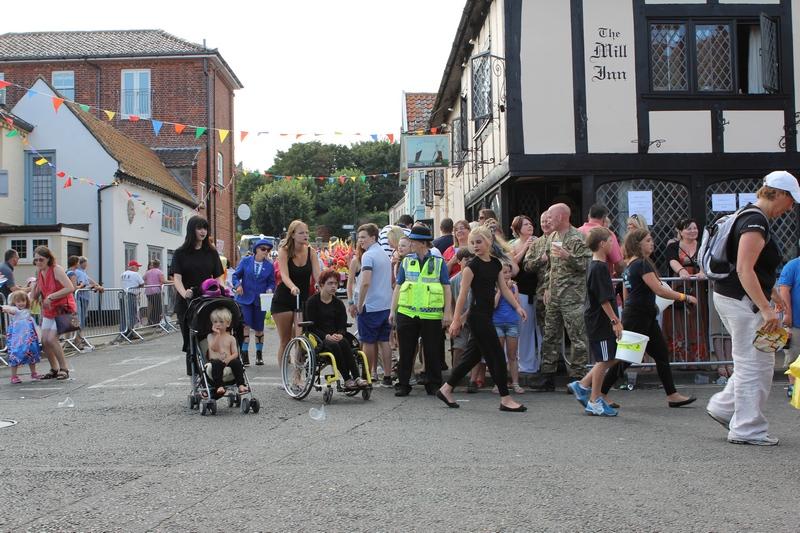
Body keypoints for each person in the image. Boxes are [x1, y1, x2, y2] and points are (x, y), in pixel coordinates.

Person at [707, 171, 800, 446]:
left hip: (733, 297)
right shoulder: (756, 222)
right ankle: (747, 428)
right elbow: (745, 268)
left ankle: (724, 408)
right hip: (743, 302)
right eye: (791, 200)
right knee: (755, 364)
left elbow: (749, 267)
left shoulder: (747, 214)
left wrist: (770, 293)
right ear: (779, 194)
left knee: (752, 361)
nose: (791, 207)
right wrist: (766, 307)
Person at [599, 229, 698, 408]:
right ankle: (600, 393)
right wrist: (684, 297)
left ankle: (672, 395)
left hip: (643, 315)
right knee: (626, 357)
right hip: (639, 316)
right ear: (638, 245)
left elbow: (627, 294)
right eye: (647, 240)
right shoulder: (642, 264)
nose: (652, 243)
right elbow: (659, 289)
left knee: (660, 354)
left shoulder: (630, 265)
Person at [438, 226, 528, 412]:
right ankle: (505, 398)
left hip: (488, 315)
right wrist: (456, 320)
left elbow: (503, 289)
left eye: (479, 242)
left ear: (489, 241)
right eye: (472, 243)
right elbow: (462, 296)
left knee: (471, 357)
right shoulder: (472, 267)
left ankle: (446, 389)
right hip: (477, 317)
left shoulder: (495, 264)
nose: (475, 246)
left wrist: (518, 306)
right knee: (495, 355)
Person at [532, 203, 591, 391]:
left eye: (551, 216)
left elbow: (585, 265)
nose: (548, 220)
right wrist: (547, 288)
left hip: (572, 296)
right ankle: (547, 376)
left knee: (577, 337)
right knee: (550, 335)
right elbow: (550, 267)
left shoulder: (578, 237)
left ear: (561, 217)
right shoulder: (552, 238)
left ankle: (578, 378)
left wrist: (569, 256)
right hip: (555, 295)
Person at [567, 227, 623, 416]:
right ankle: (594, 399)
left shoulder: (597, 266)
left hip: (599, 319)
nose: (612, 244)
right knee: (604, 359)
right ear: (601, 244)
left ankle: (582, 386)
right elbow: (603, 299)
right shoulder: (598, 267)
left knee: (612, 356)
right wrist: (614, 320)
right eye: (609, 241)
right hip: (600, 320)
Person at [390, 224, 452, 396]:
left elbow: (446, 288)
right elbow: (398, 287)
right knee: (406, 351)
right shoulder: (407, 261)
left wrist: (448, 313)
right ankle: (403, 384)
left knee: (432, 350)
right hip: (407, 313)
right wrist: (392, 311)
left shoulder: (438, 263)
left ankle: (433, 383)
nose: (410, 244)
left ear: (423, 243)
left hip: (431, 314)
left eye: (413, 241)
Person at [172, 216, 224, 375]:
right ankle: (195, 380)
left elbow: (219, 276)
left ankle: (213, 373)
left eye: (205, 228)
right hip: (187, 304)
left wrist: (221, 289)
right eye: (199, 228)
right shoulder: (180, 253)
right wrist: (185, 293)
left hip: (207, 300)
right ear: (191, 230)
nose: (203, 231)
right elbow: (177, 278)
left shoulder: (211, 252)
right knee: (191, 343)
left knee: (209, 337)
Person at [271, 220, 321, 368]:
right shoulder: (284, 251)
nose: (305, 235)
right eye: (301, 233)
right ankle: (284, 375)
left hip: (303, 299)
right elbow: (284, 275)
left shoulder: (311, 251)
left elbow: (317, 274)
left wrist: (322, 284)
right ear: (292, 235)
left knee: (300, 339)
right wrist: (292, 287)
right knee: (285, 340)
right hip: (284, 299)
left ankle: (297, 377)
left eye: (306, 232)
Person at [306, 269, 368, 390]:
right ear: (321, 284)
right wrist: (326, 336)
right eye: (330, 283)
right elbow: (311, 326)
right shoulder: (312, 302)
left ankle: (356, 377)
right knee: (335, 345)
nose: (334, 286)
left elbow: (342, 324)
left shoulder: (338, 303)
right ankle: (347, 378)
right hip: (319, 338)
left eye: (335, 283)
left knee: (344, 342)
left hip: (336, 336)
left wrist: (340, 334)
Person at [353, 223, 394, 387]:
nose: (360, 241)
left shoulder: (368, 256)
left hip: (372, 305)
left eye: (363, 237)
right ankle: (388, 376)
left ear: (373, 237)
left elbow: (365, 282)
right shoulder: (384, 254)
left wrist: (360, 303)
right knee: (384, 341)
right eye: (359, 237)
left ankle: (367, 376)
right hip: (386, 304)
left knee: (368, 341)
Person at [663, 218, 708, 365]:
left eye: (695, 228)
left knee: (696, 320)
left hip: (698, 288)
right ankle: (679, 358)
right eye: (688, 228)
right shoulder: (673, 246)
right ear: (680, 232)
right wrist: (682, 271)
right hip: (679, 286)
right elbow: (672, 260)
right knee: (678, 320)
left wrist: (702, 271)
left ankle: (698, 358)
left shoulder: (703, 245)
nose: (693, 231)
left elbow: (707, 261)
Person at [30, 246, 75, 381]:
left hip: (63, 308)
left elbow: (70, 288)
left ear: (48, 258)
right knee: (44, 340)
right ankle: (54, 368)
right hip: (49, 310)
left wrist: (51, 296)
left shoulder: (56, 269)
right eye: (36, 260)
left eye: (41, 259)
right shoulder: (39, 271)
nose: (38, 262)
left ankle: (64, 368)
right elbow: (35, 293)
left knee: (51, 339)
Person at [233, 238, 276, 366]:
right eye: (263, 249)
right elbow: (235, 276)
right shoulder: (246, 261)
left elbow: (272, 282)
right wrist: (238, 285)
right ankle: (244, 355)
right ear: (256, 249)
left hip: (260, 300)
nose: (266, 252)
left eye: (268, 250)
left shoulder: (269, 266)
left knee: (259, 328)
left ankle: (259, 355)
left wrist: (270, 289)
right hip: (245, 299)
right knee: (245, 326)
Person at [524, 210, 556, 370]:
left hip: (563, 293)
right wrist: (540, 259)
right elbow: (527, 265)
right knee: (545, 330)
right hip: (542, 292)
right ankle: (548, 365)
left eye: (548, 220)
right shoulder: (537, 243)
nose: (545, 224)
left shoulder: (562, 238)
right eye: (543, 221)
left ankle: (563, 363)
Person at [509, 215, 538, 375]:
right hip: (522, 291)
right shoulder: (513, 245)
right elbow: (513, 265)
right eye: (525, 224)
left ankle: (537, 362)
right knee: (524, 328)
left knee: (538, 329)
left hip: (537, 289)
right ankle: (525, 363)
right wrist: (526, 247)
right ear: (518, 229)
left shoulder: (539, 241)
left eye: (530, 223)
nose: (529, 226)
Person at [493, 262, 524, 394]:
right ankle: (499, 383)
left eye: (508, 272)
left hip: (511, 322)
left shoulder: (514, 286)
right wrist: (501, 289)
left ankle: (515, 383)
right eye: (503, 272)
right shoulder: (494, 287)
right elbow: (493, 305)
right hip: (497, 322)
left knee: (512, 355)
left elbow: (517, 303)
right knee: (499, 355)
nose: (506, 275)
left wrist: (512, 289)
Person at [206, 307, 248, 398]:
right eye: (215, 322)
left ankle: (241, 384)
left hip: (228, 362)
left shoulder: (231, 338)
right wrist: (217, 334)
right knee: (216, 363)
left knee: (237, 362)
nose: (218, 324)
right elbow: (213, 347)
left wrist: (229, 358)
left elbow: (235, 353)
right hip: (215, 362)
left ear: (228, 324)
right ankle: (219, 386)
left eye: (221, 322)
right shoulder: (210, 336)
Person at [2, 290, 42, 383]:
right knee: (15, 353)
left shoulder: (28, 310)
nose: (21, 303)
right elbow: (9, 309)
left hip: (29, 336)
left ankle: (34, 373)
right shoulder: (15, 310)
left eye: (23, 301)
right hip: (18, 337)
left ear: (26, 301)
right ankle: (14, 376)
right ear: (14, 302)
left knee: (32, 351)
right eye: (18, 301)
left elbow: (34, 297)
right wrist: (4, 309)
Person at [578, 204, 624, 276]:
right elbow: (618, 263)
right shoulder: (607, 234)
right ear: (604, 218)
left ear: (589, 216)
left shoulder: (577, 232)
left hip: (580, 282)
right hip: (601, 278)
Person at [778, 256, 800, 400]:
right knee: (794, 355)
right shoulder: (793, 266)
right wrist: (787, 315)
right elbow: (784, 291)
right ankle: (793, 387)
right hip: (796, 321)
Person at [71, 256, 103, 348]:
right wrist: (94, 287)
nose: (87, 265)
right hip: (80, 298)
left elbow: (90, 281)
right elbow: (82, 286)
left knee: (82, 319)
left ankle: (79, 339)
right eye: (86, 263)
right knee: (79, 319)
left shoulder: (82, 272)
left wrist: (96, 285)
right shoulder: (78, 272)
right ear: (82, 263)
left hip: (83, 297)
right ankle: (77, 341)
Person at [119, 260, 144, 338]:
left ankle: (123, 332)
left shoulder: (123, 274)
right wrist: (138, 288)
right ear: (133, 267)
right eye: (137, 267)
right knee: (132, 314)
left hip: (123, 294)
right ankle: (130, 332)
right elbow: (142, 283)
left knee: (124, 314)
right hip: (131, 295)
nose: (138, 269)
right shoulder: (135, 274)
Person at [143, 259, 167, 326]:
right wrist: (174, 282)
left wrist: (148, 282)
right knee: (158, 307)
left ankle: (151, 321)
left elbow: (143, 279)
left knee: (152, 306)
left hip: (148, 292)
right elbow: (163, 281)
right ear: (158, 265)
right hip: (156, 291)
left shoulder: (147, 272)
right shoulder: (159, 272)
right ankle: (156, 322)